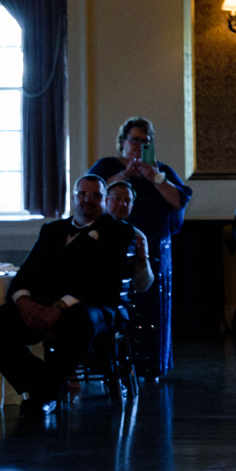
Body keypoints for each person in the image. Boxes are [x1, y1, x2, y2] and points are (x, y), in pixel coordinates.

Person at [0, 175, 136, 416]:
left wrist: (59, 306)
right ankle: (44, 385)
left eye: (95, 195)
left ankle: (46, 394)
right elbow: (25, 272)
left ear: (105, 200)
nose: (87, 200)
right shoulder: (52, 230)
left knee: (79, 323)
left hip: (96, 304)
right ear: (73, 198)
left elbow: (101, 281)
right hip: (42, 305)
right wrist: (23, 301)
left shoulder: (119, 231)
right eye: (82, 194)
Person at [86, 116, 191, 381]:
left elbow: (179, 200)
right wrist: (126, 175)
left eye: (146, 142)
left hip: (155, 250)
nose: (139, 145)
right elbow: (91, 194)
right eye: (134, 140)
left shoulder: (160, 170)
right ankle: (112, 368)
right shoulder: (108, 165)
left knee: (151, 310)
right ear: (123, 142)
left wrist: (154, 177)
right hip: (112, 249)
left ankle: (150, 368)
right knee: (117, 304)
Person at [104, 180, 157, 297]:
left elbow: (144, 286)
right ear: (106, 200)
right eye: (117, 199)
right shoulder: (91, 228)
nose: (122, 204)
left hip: (120, 299)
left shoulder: (137, 235)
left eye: (127, 201)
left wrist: (142, 258)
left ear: (131, 207)